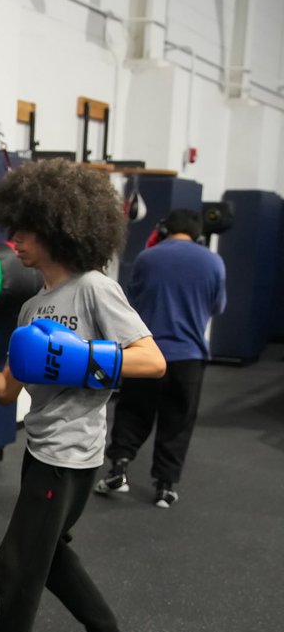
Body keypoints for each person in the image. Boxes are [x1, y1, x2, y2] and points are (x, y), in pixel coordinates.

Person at [0, 159, 167, 632]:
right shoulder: (31, 309)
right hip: (42, 450)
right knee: (51, 556)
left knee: (14, 567)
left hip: (71, 457)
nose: (13, 240)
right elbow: (6, 390)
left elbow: (152, 361)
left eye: (25, 229)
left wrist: (84, 359)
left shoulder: (95, 290)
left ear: (60, 227)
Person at [94, 208, 227, 508]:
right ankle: (165, 487)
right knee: (177, 420)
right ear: (199, 234)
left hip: (147, 352)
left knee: (132, 410)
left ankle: (119, 468)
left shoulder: (147, 257)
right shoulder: (214, 262)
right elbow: (217, 306)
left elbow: (133, 301)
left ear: (166, 230)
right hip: (188, 355)